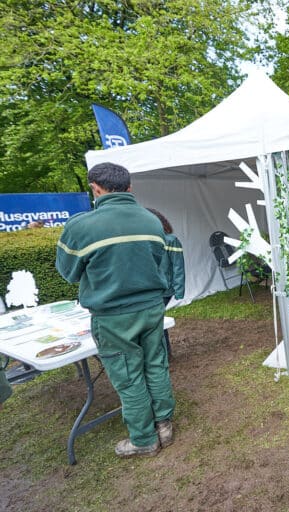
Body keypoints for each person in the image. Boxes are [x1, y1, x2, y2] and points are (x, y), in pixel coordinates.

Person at [56, 162, 175, 458]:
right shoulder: (151, 221)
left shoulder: (81, 226)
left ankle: (143, 439)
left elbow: (68, 271)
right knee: (156, 366)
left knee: (128, 375)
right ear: (130, 187)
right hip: (151, 309)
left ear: (96, 189)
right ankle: (165, 426)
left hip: (113, 316)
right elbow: (157, 263)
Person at [147, 208, 186, 358]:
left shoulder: (170, 240)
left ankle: (164, 353)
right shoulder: (145, 241)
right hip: (150, 289)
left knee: (156, 320)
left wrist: (179, 290)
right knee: (155, 320)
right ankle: (163, 352)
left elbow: (178, 266)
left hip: (164, 289)